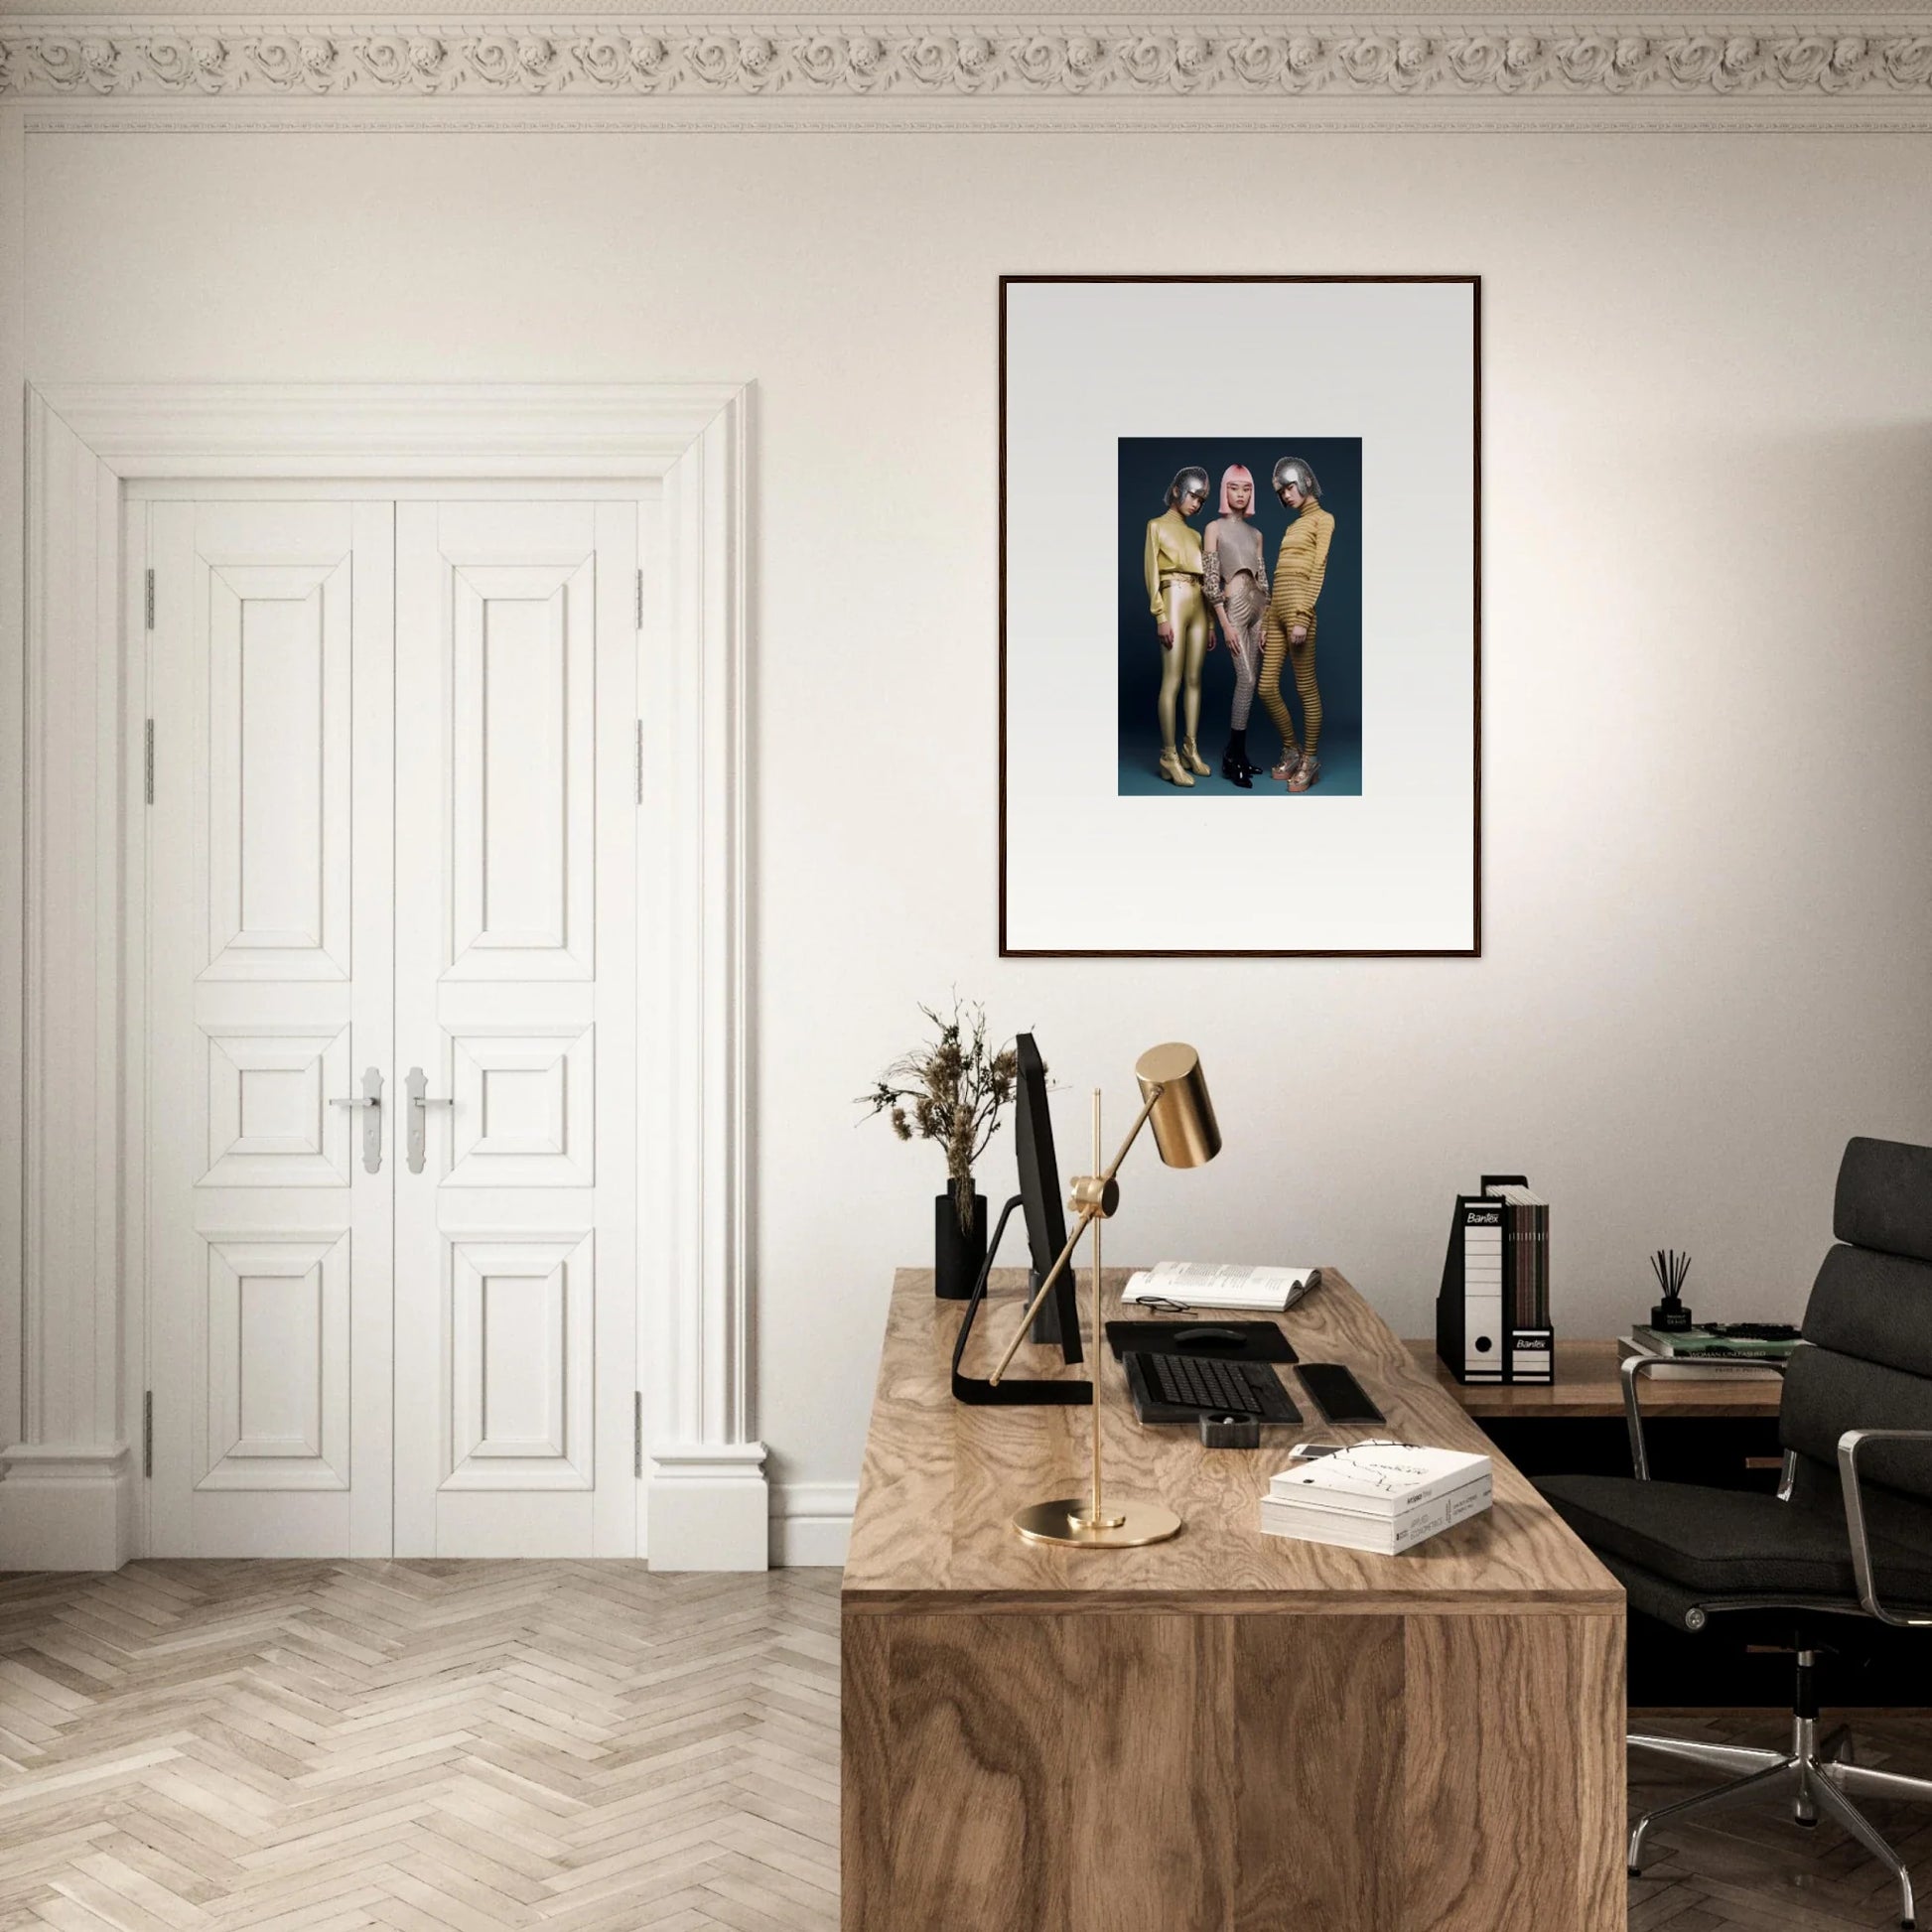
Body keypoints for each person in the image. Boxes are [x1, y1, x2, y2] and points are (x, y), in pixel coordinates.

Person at [1258, 456, 1335, 791]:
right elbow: (1281, 573)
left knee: (1305, 688)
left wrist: (1302, 616)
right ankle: (1292, 748)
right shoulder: (1291, 527)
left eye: (1289, 487)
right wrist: (1265, 619)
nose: (1285, 496)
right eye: (1281, 492)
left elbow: (1317, 569)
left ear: (1304, 482)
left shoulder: (1324, 520)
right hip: (1276, 612)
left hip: (1299, 614)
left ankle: (1312, 758)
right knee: (1266, 688)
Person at [1142, 466, 1212, 788]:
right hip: (1172, 598)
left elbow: (1206, 578)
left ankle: (1190, 748)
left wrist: (1210, 621)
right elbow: (1151, 574)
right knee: (1172, 680)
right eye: (1193, 496)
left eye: (1202, 499)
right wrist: (1160, 615)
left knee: (1195, 679)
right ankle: (1168, 756)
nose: (1197, 504)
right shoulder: (1156, 526)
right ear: (1176, 491)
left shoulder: (1197, 535)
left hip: (1199, 602)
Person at [1201, 465, 1268, 788]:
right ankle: (1233, 756)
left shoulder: (1257, 535)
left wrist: (1266, 620)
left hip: (1258, 609)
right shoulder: (1214, 528)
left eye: (1246, 489)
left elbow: (1263, 580)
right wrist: (1223, 624)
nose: (1240, 495)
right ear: (1224, 491)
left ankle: (1237, 754)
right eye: (1234, 488)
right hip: (1235, 608)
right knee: (1247, 677)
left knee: (1251, 684)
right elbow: (1211, 579)